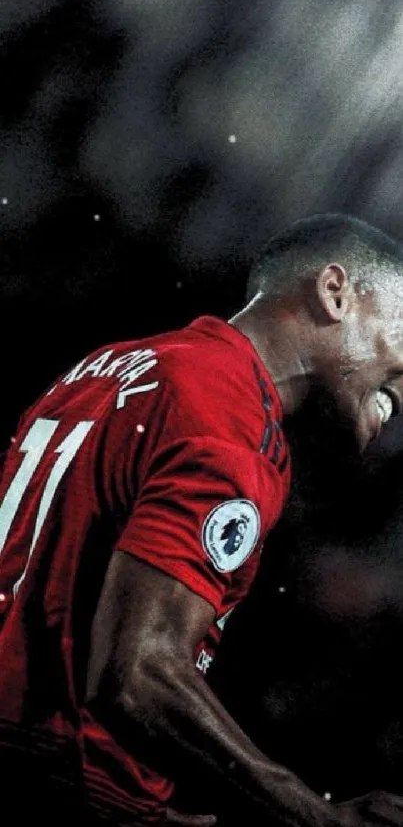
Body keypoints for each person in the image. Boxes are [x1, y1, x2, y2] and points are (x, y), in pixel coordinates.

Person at [2, 213, 403, 827]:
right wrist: (315, 816)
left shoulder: (120, 363)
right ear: (334, 292)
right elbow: (137, 675)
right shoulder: (230, 423)